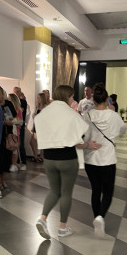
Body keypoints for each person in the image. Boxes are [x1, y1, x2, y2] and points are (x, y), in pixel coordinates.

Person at [34, 85, 99, 239]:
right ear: (67, 96)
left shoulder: (44, 113)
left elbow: (36, 136)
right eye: (71, 97)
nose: (72, 100)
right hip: (67, 159)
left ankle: (42, 218)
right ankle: (62, 228)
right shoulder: (71, 114)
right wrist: (88, 145)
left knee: (54, 191)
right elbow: (78, 141)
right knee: (66, 193)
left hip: (49, 159)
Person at [83, 83, 127, 237]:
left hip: (91, 159)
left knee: (96, 190)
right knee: (108, 191)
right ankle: (100, 217)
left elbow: (83, 135)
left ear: (93, 100)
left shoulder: (87, 115)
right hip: (107, 159)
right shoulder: (113, 115)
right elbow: (123, 130)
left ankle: (97, 218)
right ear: (107, 99)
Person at [0, 86, 17, 189]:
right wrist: (2, 122)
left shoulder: (8, 104)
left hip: (7, 135)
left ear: (2, 94)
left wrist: (11, 122)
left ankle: (2, 179)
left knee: (7, 159)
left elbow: (15, 117)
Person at [30, 92, 48, 162]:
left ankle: (41, 156)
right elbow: (34, 115)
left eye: (39, 97)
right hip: (36, 126)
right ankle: (35, 156)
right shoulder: (38, 107)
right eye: (37, 97)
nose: (38, 99)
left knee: (41, 142)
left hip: (42, 126)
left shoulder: (46, 107)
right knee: (32, 141)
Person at [8, 92, 23, 172]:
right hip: (10, 130)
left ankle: (14, 164)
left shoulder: (18, 110)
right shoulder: (8, 109)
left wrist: (12, 120)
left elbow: (20, 121)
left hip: (15, 130)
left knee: (15, 148)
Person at [13, 86, 27, 170]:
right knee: (15, 145)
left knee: (20, 144)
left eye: (17, 91)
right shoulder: (12, 104)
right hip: (14, 127)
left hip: (20, 126)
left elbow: (21, 116)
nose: (16, 93)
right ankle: (17, 162)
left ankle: (23, 162)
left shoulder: (22, 102)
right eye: (15, 92)